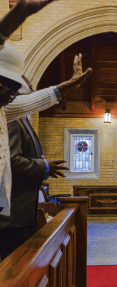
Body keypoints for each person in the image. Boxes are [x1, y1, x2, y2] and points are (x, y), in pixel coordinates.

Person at [0, 0, 92, 217]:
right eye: (9, 86)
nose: (13, 95)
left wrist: (70, 85)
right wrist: (16, 17)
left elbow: (34, 101)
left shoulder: (4, 109)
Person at [0, 76, 69, 260]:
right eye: (29, 88)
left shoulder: (22, 118)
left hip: (23, 213)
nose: (32, 92)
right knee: (15, 268)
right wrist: (44, 165)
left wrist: (39, 160)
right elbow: (11, 161)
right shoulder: (12, 118)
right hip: (14, 216)